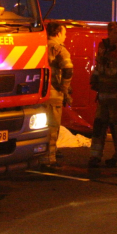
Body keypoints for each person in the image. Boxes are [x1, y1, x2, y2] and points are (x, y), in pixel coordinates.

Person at [88, 22, 117, 168]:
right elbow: (98, 66)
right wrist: (94, 79)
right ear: (109, 33)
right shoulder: (103, 47)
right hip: (103, 96)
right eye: (116, 33)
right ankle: (95, 156)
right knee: (99, 126)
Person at [42, 21, 73, 169]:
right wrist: (65, 89)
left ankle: (40, 153)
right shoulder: (59, 49)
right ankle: (49, 158)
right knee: (53, 127)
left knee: (40, 127)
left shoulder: (39, 47)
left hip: (39, 94)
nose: (65, 37)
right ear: (58, 33)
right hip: (54, 93)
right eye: (64, 33)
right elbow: (68, 69)